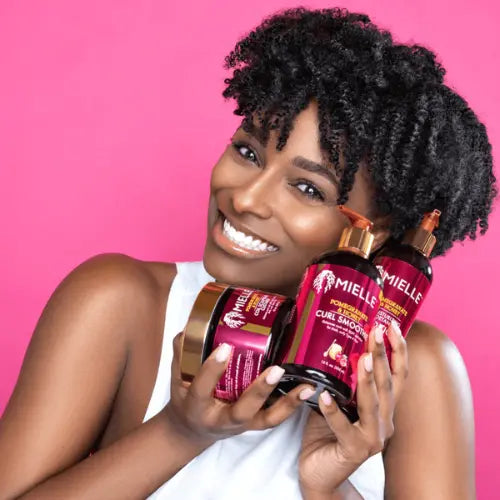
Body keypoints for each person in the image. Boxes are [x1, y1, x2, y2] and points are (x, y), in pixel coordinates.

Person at [0, 7, 495, 499]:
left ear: (375, 234)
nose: (245, 199)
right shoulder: (121, 303)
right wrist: (178, 432)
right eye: (248, 152)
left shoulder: (410, 368)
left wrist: (329, 489)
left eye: (307, 188)